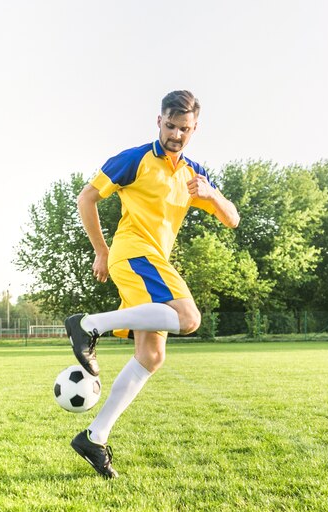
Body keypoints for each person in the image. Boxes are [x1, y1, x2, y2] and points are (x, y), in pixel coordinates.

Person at [65, 90, 239, 479]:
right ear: (158, 121)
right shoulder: (135, 159)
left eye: (185, 129)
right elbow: (86, 198)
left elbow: (233, 219)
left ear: (195, 129)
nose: (176, 134)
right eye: (171, 126)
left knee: (152, 356)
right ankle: (89, 324)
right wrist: (101, 250)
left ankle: (94, 437)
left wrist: (212, 194)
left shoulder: (194, 174)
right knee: (189, 317)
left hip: (154, 261)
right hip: (133, 254)